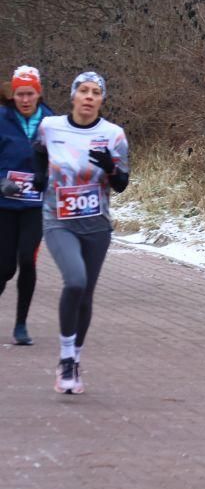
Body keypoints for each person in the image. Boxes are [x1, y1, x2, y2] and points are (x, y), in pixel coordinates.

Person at [32, 71, 129, 394]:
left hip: (96, 225)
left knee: (86, 293)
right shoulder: (50, 127)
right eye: (83, 91)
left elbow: (122, 184)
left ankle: (74, 359)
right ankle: (64, 357)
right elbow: (38, 154)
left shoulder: (113, 134)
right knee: (75, 280)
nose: (89, 97)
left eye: (95, 92)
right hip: (58, 220)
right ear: (73, 96)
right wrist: (38, 177)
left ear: (102, 100)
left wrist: (110, 167)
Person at [0, 66, 54, 345]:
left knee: (27, 260)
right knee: (5, 268)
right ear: (13, 94)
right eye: (20, 94)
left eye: (29, 94)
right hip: (4, 205)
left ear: (38, 94)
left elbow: (63, 160)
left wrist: (47, 177)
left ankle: (21, 325)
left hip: (34, 206)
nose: (24, 99)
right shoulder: (2, 119)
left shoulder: (51, 122)